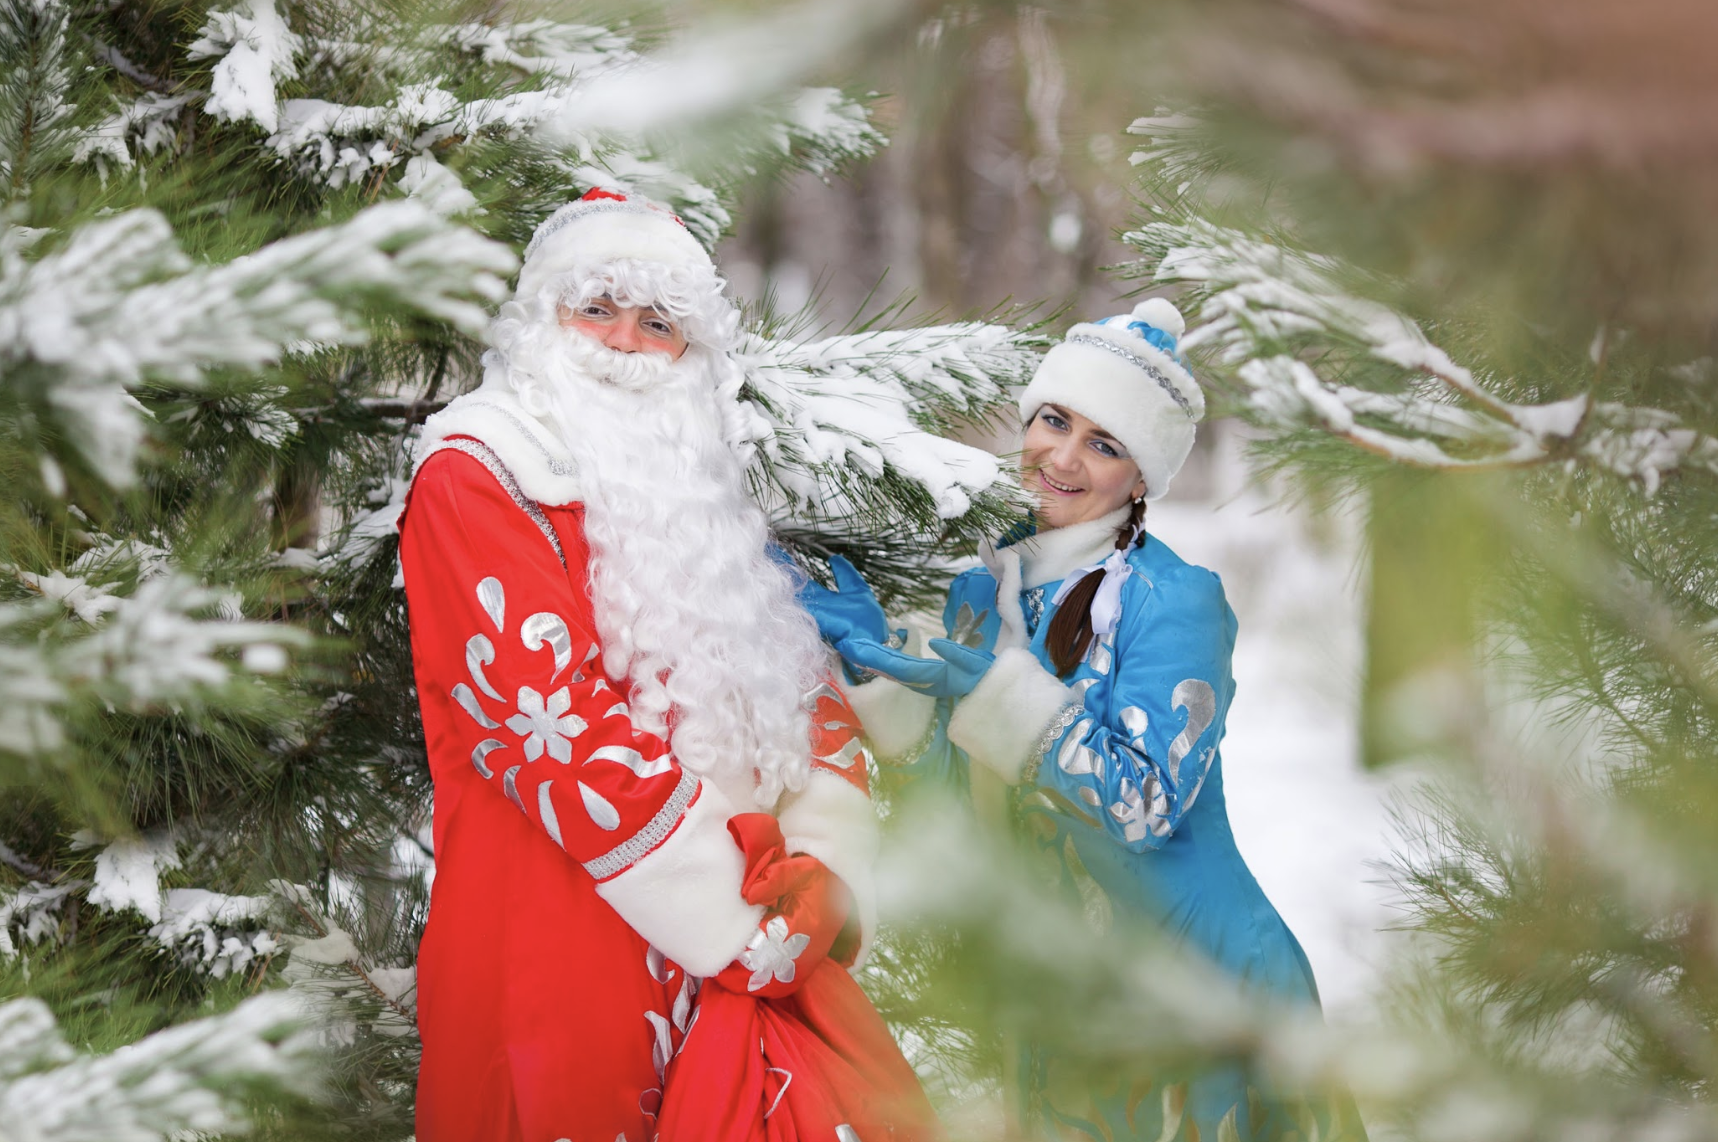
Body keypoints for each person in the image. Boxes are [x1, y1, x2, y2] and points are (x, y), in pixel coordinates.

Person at [399, 188, 935, 1142]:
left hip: (745, 956)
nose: (625, 342)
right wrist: (744, 925)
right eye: (597, 308)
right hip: (562, 960)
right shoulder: (476, 475)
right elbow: (548, 726)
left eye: (658, 323)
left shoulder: (698, 486)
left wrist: (823, 866)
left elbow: (797, 684)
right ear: (541, 320)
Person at [803, 300, 1357, 1140]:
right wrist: (881, 677)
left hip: (1196, 990)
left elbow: (1145, 805)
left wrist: (1003, 701)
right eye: (1054, 421)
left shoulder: (1174, 601)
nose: (1062, 458)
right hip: (1064, 995)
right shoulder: (986, 586)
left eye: (1104, 444)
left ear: (1141, 478)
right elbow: (963, 814)